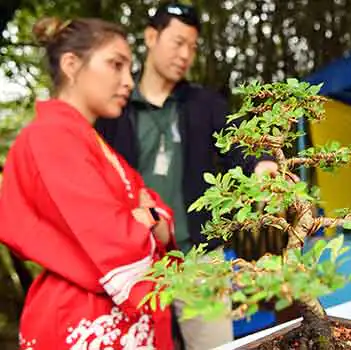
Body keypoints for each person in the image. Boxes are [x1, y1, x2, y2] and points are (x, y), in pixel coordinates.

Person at [94, 2, 281, 349]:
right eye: (178, 42)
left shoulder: (204, 104)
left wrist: (262, 164)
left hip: (200, 258)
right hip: (137, 261)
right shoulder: (114, 107)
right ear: (151, 37)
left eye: (193, 47)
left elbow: (236, 145)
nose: (185, 54)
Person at [0, 17, 177, 349]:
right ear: (71, 64)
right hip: (81, 318)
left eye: (130, 69)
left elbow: (158, 214)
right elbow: (110, 234)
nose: (128, 81)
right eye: (116, 65)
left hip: (113, 315)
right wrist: (146, 221)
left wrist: (150, 219)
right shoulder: (48, 137)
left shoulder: (96, 146)